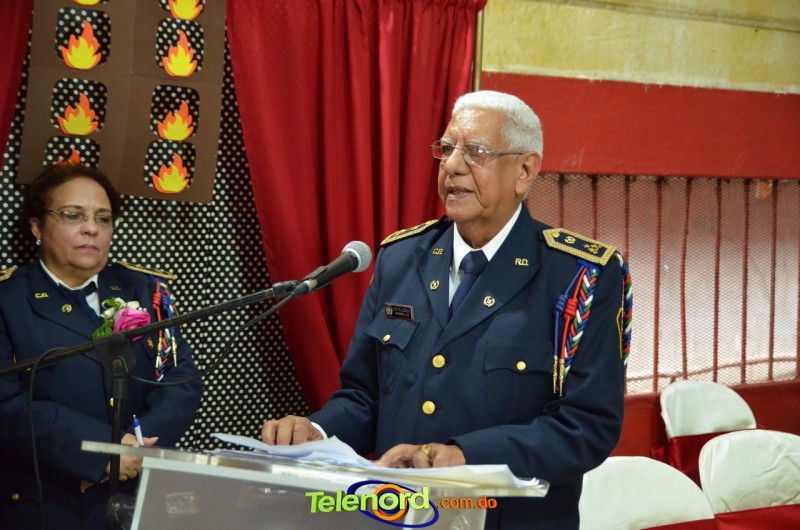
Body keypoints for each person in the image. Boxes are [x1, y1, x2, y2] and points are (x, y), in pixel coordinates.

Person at [261, 90, 632, 529]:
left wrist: (463, 456)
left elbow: (586, 426)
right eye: (446, 148)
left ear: (525, 171)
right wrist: (317, 431)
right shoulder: (402, 258)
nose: (453, 165)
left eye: (475, 151)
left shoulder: (580, 276)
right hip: (396, 515)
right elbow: (364, 395)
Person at [0, 164, 204, 530]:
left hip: (141, 489)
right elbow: (6, 405)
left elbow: (180, 378)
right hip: (52, 500)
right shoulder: (9, 299)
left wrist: (134, 449)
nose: (91, 228)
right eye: (72, 215)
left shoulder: (144, 288)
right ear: (36, 226)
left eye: (103, 218)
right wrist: (101, 451)